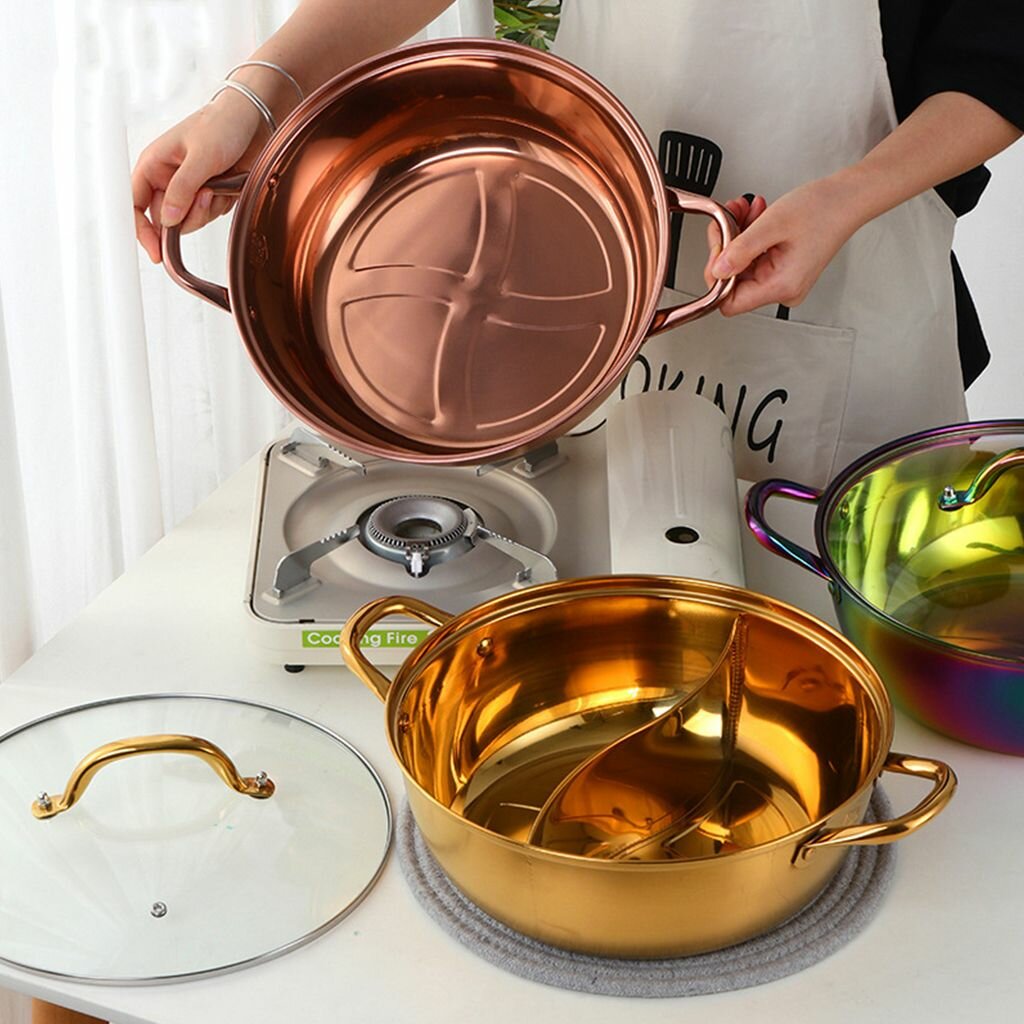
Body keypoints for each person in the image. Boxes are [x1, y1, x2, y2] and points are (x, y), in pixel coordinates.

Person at [132, 0, 1022, 488]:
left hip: (852, 277)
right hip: (589, 312)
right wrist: (254, 96)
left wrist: (842, 199)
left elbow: (998, 61)